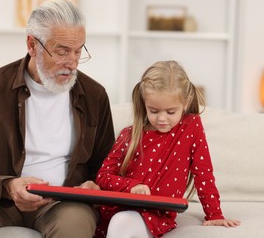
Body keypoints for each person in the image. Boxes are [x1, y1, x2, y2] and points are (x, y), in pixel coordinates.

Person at [0, 0, 115, 238]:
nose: (72, 63)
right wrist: (10, 186)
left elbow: (107, 167)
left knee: (75, 223)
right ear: (32, 45)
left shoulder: (95, 95)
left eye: (78, 50)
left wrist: (96, 184)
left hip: (62, 205)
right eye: (62, 51)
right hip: (0, 202)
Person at [94, 61, 241, 238]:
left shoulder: (191, 127)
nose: (162, 119)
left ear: (185, 104)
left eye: (171, 112)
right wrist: (132, 186)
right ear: (144, 103)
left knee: (122, 223)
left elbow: (204, 173)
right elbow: (103, 176)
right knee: (119, 221)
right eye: (154, 111)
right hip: (121, 207)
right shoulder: (130, 135)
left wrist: (215, 214)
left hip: (157, 215)